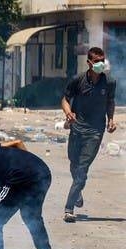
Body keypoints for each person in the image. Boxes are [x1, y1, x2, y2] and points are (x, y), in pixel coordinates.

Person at [61, 47, 117, 223]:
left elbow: (110, 101)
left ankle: (68, 208)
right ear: (89, 63)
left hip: (95, 131)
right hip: (77, 128)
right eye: (97, 61)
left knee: (82, 170)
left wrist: (111, 119)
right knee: (73, 163)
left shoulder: (109, 82)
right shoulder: (78, 80)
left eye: (103, 60)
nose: (101, 64)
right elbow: (64, 99)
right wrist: (68, 113)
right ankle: (77, 193)